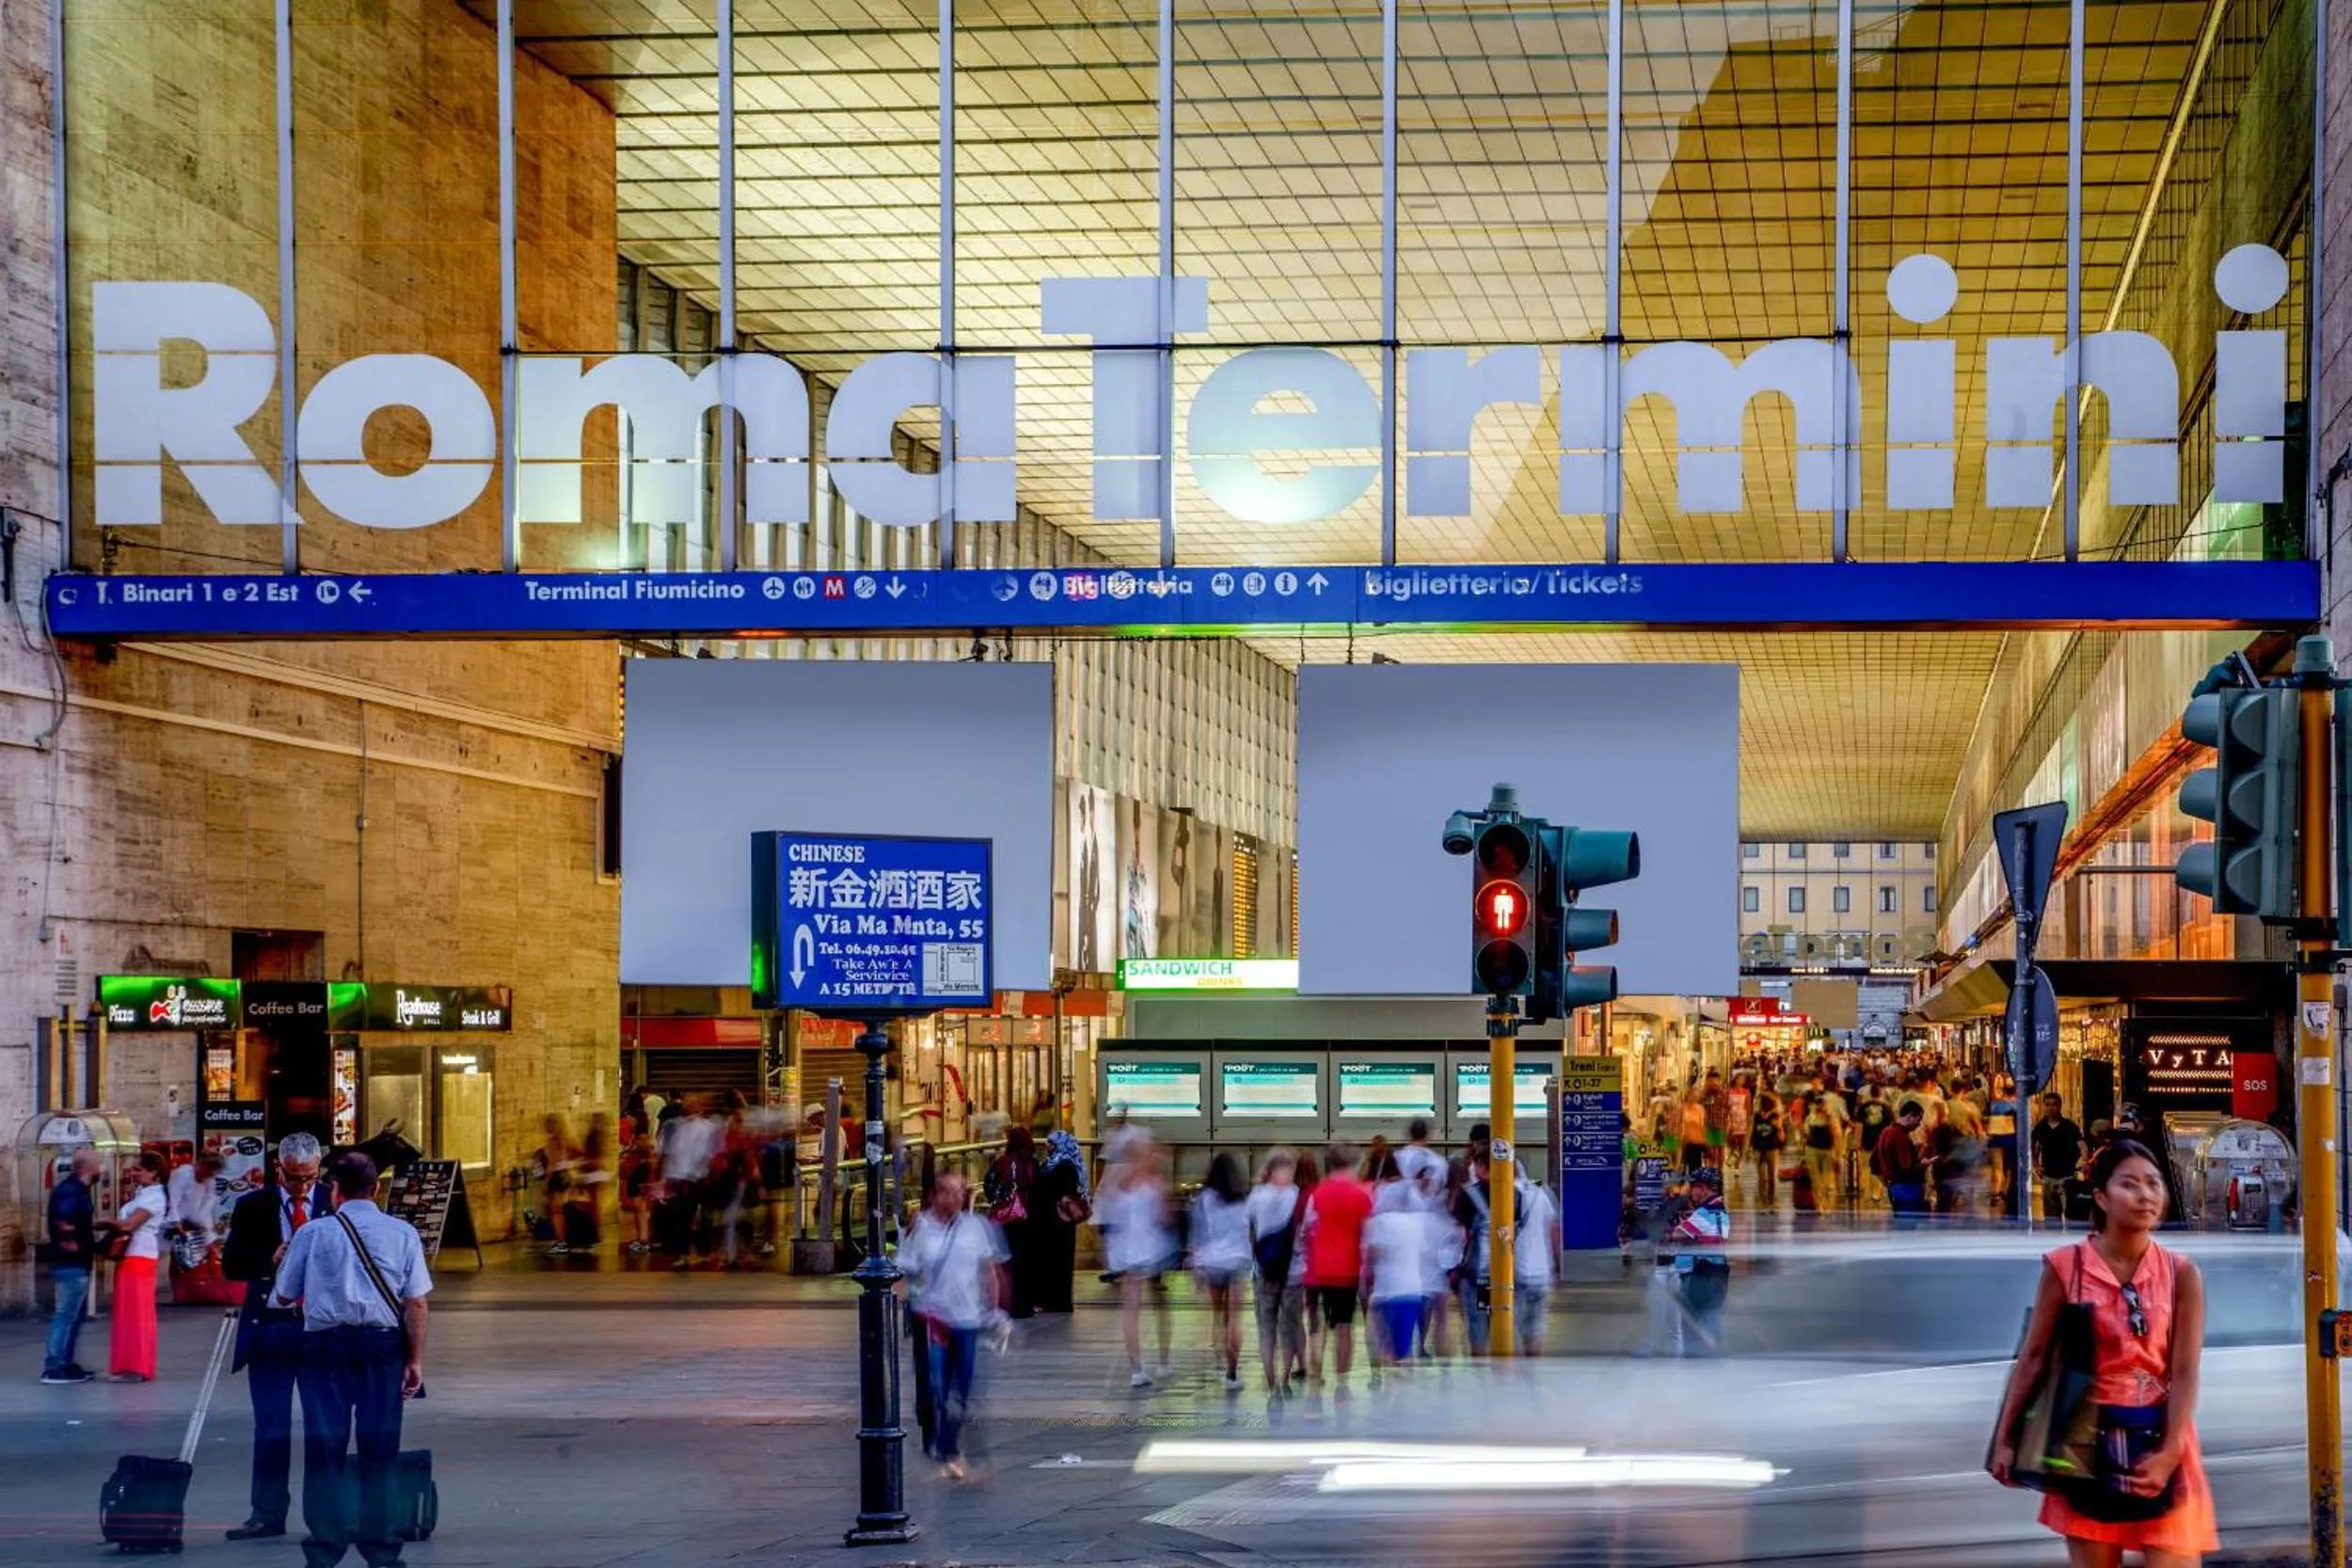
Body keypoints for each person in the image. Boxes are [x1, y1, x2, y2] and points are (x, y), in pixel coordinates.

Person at [1990, 1139, 2216, 1566]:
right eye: (2129, 1184)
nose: (2146, 1194)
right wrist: (2006, 1439)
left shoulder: (2181, 1273)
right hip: (2084, 1441)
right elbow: (2035, 1356)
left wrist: (2170, 1452)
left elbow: (2185, 1371)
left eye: (2154, 1184)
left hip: (2162, 1439)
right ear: (2100, 1197)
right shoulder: (2066, 1267)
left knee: (2176, 1554)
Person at [271, 1152, 431, 1568]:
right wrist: (414, 1361)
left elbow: (285, 1295)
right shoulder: (403, 1233)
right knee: (381, 1447)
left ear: (333, 1190)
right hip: (382, 1348)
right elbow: (415, 1304)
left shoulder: (313, 1232)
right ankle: (380, 1549)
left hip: (325, 1348)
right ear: (376, 1188)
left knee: (325, 1447)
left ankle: (326, 1547)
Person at [222, 1133, 334, 1541]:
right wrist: (267, 1259)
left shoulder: (334, 1204)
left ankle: (324, 1515)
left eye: (310, 1177)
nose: (303, 1186)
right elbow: (232, 1265)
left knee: (324, 1424)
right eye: (294, 1177)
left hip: (319, 1328)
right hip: (271, 1327)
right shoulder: (253, 1206)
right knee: (271, 1425)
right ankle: (267, 1512)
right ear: (278, 1168)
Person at [898, 1172, 1008, 1482]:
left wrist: (994, 1311)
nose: (954, 1198)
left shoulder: (976, 1227)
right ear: (934, 1196)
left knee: (962, 1391)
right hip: (934, 1320)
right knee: (937, 1388)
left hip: (968, 1319)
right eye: (947, 1192)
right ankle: (945, 1449)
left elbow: (989, 1271)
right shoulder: (920, 1228)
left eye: (959, 1192)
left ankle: (946, 1445)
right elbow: (905, 1271)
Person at [1095, 1130, 1173, 1387]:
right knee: (1160, 1302)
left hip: (1127, 1250)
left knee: (1131, 1309)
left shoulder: (1118, 1181)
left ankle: (1137, 1369)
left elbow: (1109, 1216)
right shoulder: (1153, 1180)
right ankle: (1163, 1360)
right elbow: (1163, 1217)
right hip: (1152, 1248)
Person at [1301, 1141, 1371, 1381]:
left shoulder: (1317, 1194)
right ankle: (1342, 1380)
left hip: (1319, 1268)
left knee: (1318, 1324)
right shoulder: (1360, 1196)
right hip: (1348, 1269)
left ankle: (1316, 1374)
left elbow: (1306, 1229)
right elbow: (1366, 1236)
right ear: (1352, 1164)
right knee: (1344, 1325)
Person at [1187, 1153, 1251, 1391]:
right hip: (1237, 1261)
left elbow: (1198, 1235)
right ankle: (1232, 1373)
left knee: (1216, 1317)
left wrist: (1195, 1264)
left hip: (1212, 1261)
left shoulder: (1203, 1199)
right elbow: (1248, 1233)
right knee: (1234, 1319)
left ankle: (1217, 1360)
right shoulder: (1242, 1200)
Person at [40, 1147, 102, 1384]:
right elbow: (63, 1222)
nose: (100, 1168)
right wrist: (71, 1241)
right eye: (97, 1163)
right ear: (89, 1167)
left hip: (79, 1261)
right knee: (66, 1314)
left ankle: (66, 1360)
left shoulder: (79, 1190)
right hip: (71, 1262)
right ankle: (54, 1365)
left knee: (73, 1315)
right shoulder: (71, 1191)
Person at [108, 1150, 170, 1382]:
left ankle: (138, 1364)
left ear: (153, 1172)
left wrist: (105, 1223)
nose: (133, 1174)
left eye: (138, 1170)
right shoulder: (142, 1194)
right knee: (127, 1311)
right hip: (131, 1255)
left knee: (137, 1312)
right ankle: (127, 1363)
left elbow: (130, 1225)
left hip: (140, 1255)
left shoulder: (154, 1197)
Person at [1361, 1151, 1426, 1371]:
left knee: (1386, 1352)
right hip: (1413, 1291)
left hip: (1386, 1293)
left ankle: (1391, 1397)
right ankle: (1406, 1395)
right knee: (1406, 1351)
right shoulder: (1417, 1222)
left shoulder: (1380, 1222)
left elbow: (1372, 1256)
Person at [1246, 1148, 1304, 1392]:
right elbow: (1305, 1234)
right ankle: (1285, 1377)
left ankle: (1271, 1381)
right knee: (1289, 1325)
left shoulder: (1256, 1195)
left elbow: (1248, 1230)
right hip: (1292, 1271)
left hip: (1263, 1271)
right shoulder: (1297, 1194)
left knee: (1266, 1327)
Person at [1672, 1166, 1731, 1355]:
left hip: (1698, 1276)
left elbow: (1677, 1234)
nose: (1691, 1191)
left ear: (1704, 1188)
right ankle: (1712, 1361)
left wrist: (1681, 1224)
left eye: (1694, 1187)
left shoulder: (1704, 1214)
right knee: (1710, 1318)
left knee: (1692, 1323)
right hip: (1717, 1273)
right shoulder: (1721, 1212)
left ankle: (1698, 1364)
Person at [1030, 1130, 1089, 1315]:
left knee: (1059, 1261)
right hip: (1049, 1221)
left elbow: (1061, 1191)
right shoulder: (1051, 1163)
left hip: (1059, 1223)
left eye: (1052, 1143)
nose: (1048, 1146)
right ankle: (1049, 1300)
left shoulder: (1066, 1166)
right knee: (1048, 1260)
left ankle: (1058, 1301)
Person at [984, 1127, 1040, 1317]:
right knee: (1026, 1262)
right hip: (1027, 1219)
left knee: (1007, 1262)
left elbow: (989, 1186)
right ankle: (1025, 1304)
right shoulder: (1033, 1164)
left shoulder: (1002, 1163)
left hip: (1006, 1219)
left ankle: (1008, 1303)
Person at [1513, 1170, 1561, 1356]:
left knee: (1510, 1326)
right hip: (1541, 1271)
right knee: (1535, 1328)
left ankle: (1510, 1376)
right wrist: (1558, 1266)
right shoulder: (1541, 1189)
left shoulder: (1502, 1191)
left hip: (1514, 1273)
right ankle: (1530, 1375)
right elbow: (1555, 1230)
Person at [2033, 1093, 2088, 1224]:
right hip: (2048, 1176)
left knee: (2069, 1212)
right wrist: (2036, 1166)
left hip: (2067, 1176)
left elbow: (2083, 1147)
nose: (2051, 1108)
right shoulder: (2040, 1127)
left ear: (2060, 1106)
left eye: (2054, 1105)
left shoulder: (2070, 1127)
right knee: (2051, 1215)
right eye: (2047, 1105)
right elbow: (2031, 1146)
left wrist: (2081, 1164)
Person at [1872, 1101, 1930, 1225]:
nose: (1918, 1125)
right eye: (1918, 1120)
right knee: (1908, 1227)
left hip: (1895, 1188)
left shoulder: (1885, 1132)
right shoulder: (1901, 1137)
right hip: (1908, 1190)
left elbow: (1874, 1163)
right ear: (1910, 1116)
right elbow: (1907, 1168)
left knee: (1901, 1226)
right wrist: (1924, 1164)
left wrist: (1888, 1184)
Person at [537, 1113, 580, 1256]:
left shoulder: (554, 1141)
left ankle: (561, 1241)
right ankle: (565, 1240)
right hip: (566, 1174)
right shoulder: (567, 1138)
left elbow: (551, 1164)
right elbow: (579, 1151)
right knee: (561, 1209)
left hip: (556, 1176)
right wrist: (569, 1161)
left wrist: (546, 1181)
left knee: (555, 1211)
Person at [1749, 1090, 1783, 1208]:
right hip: (1758, 1147)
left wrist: (1772, 1117)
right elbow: (1751, 1131)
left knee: (1772, 1176)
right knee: (1761, 1177)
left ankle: (1771, 1199)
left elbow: (1779, 1127)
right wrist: (1748, 1147)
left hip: (1772, 1148)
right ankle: (1762, 1200)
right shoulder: (1756, 1116)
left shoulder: (1775, 1115)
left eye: (1759, 1102)